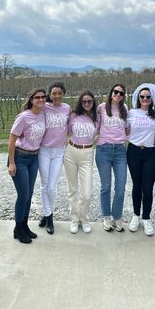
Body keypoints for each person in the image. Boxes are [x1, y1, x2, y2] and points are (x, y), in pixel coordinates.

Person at [7, 88, 46, 244]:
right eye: (37, 97)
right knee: (23, 195)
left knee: (29, 194)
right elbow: (11, 139)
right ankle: (18, 228)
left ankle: (24, 226)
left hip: (34, 158)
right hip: (20, 157)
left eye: (43, 97)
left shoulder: (42, 114)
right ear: (31, 99)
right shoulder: (23, 117)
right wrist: (11, 162)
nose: (41, 99)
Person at [38, 82, 71, 235]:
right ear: (49, 95)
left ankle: (47, 214)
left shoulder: (67, 108)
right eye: (54, 93)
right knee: (44, 185)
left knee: (52, 186)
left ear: (63, 94)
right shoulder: (44, 107)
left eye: (59, 93)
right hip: (44, 150)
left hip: (59, 152)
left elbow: (70, 127)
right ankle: (49, 217)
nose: (57, 96)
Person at [127, 83, 155, 236]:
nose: (145, 98)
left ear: (152, 98)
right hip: (133, 151)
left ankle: (146, 218)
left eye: (148, 96)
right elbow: (123, 127)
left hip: (151, 153)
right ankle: (135, 215)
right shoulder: (131, 113)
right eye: (142, 96)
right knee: (136, 185)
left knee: (148, 187)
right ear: (138, 98)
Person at [64, 90, 97, 234]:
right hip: (71, 152)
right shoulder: (73, 115)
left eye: (89, 101)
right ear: (80, 102)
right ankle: (74, 219)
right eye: (84, 101)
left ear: (93, 102)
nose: (87, 104)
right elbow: (61, 130)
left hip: (87, 153)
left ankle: (84, 218)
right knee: (73, 189)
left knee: (87, 193)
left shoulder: (97, 117)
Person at [96, 84, 128, 232]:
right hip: (104, 150)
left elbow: (127, 128)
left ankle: (117, 216)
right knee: (106, 186)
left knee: (120, 187)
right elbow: (95, 127)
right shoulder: (101, 108)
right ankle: (106, 216)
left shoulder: (125, 109)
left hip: (120, 151)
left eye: (121, 93)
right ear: (111, 92)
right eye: (115, 91)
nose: (118, 94)